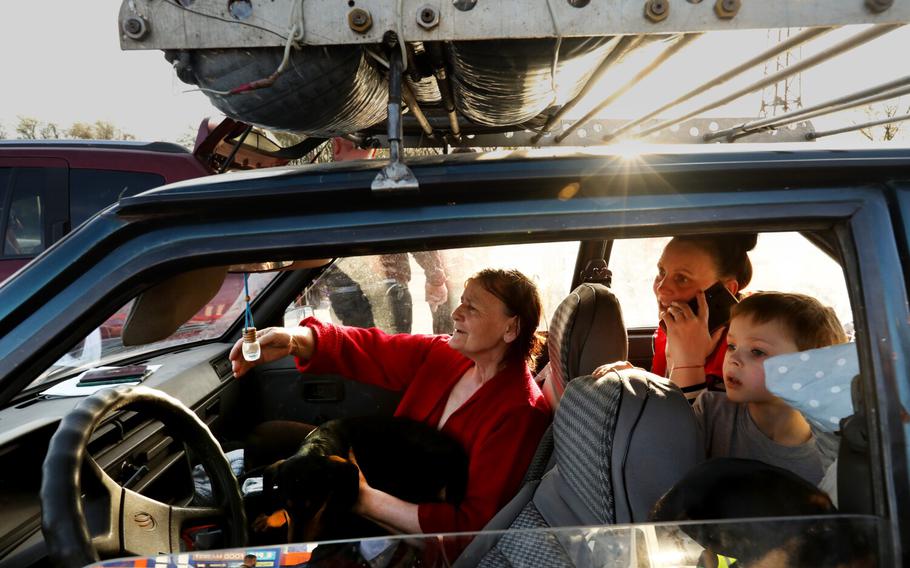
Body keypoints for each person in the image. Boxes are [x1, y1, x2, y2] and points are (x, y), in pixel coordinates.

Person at [229, 268, 551, 537]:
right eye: (461, 302)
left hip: (399, 520)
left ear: (511, 328)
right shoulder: (447, 355)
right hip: (375, 471)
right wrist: (296, 341)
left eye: (473, 307)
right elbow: (376, 349)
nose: (455, 312)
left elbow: (470, 529)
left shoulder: (520, 413)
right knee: (268, 437)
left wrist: (364, 499)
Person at [694, 291, 848, 485]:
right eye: (731, 346)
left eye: (757, 351)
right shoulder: (711, 412)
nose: (733, 359)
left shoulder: (831, 452)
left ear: (809, 368)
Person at [595, 234, 757, 402]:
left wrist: (689, 363)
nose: (661, 287)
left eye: (682, 278)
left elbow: (689, 424)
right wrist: (640, 377)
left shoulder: (745, 354)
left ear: (727, 290)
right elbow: (667, 396)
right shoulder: (670, 330)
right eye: (661, 272)